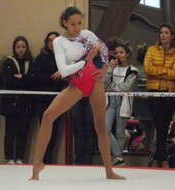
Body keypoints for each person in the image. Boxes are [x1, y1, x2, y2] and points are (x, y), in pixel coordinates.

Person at [30, 5, 125, 180]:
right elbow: (64, 71)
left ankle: (109, 171)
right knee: (48, 115)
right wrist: (87, 60)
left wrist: (104, 68)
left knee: (101, 126)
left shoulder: (87, 35)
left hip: (94, 80)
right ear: (64, 23)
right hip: (77, 84)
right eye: (73, 23)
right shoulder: (59, 42)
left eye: (80, 23)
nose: (77, 27)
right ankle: (37, 165)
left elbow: (104, 48)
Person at [144, 23, 175, 168]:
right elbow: (148, 69)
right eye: (161, 32)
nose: (163, 35)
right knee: (159, 124)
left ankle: (157, 158)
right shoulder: (152, 49)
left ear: (172, 36)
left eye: (166, 33)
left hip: (170, 92)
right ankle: (163, 158)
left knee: (164, 125)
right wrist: (166, 71)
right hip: (154, 91)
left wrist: (159, 71)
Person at [32, 31, 67, 164]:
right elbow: (36, 77)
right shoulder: (40, 58)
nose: (52, 43)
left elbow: (68, 77)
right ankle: (41, 159)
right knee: (44, 129)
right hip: (42, 99)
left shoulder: (64, 58)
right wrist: (55, 77)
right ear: (46, 43)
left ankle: (49, 159)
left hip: (59, 99)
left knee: (55, 130)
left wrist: (62, 74)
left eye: (55, 41)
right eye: (50, 41)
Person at [0, 36, 35, 164]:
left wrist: (23, 77)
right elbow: (9, 81)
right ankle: (9, 157)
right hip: (11, 102)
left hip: (26, 103)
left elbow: (33, 81)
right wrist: (25, 80)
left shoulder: (31, 62)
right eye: (18, 47)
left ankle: (20, 157)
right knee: (10, 131)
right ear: (14, 48)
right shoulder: (8, 62)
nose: (21, 49)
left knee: (23, 131)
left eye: (23, 47)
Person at [104, 42, 138, 166]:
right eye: (116, 52)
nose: (118, 55)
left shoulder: (133, 70)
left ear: (127, 54)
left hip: (124, 102)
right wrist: (109, 70)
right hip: (110, 102)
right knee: (105, 128)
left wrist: (111, 86)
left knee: (120, 132)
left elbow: (126, 87)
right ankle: (118, 156)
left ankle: (117, 160)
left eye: (121, 52)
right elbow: (103, 84)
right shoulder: (111, 67)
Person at [70, 97, 97, 165]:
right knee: (78, 132)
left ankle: (87, 161)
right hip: (75, 97)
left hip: (90, 96)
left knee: (90, 131)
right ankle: (78, 161)